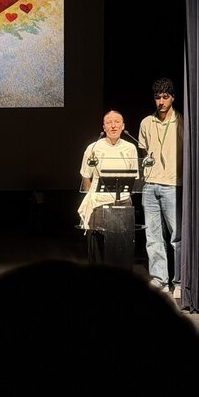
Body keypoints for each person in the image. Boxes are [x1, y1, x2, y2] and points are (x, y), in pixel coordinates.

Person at [138, 77, 183, 297]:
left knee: (177, 236)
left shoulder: (181, 122)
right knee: (153, 236)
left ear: (172, 97)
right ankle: (159, 278)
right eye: (158, 97)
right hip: (150, 185)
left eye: (165, 97)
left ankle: (180, 281)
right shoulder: (147, 122)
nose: (161, 102)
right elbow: (144, 151)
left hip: (173, 185)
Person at [78, 110, 139, 264]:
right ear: (104, 127)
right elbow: (86, 176)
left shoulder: (130, 147)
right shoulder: (93, 147)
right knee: (99, 249)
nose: (113, 126)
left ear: (123, 126)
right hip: (99, 203)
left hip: (123, 202)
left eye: (117, 122)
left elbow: (135, 177)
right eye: (109, 122)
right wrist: (92, 196)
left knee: (122, 247)